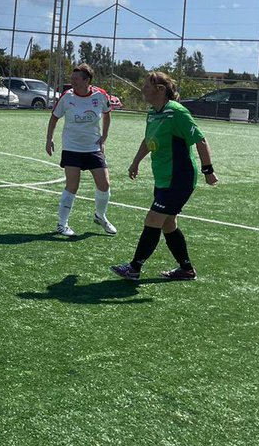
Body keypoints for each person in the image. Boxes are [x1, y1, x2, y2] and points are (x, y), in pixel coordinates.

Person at [111, 72, 219, 282]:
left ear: (160, 89)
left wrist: (208, 171)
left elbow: (201, 140)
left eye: (146, 85)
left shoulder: (176, 112)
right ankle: (186, 269)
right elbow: (148, 140)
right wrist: (136, 162)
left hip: (180, 177)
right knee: (168, 224)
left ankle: (134, 268)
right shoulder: (153, 113)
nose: (142, 89)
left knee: (153, 219)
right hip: (163, 177)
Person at [45, 63, 115, 237]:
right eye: (72, 78)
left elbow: (107, 113)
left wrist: (104, 137)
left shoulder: (100, 95)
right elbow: (54, 118)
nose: (72, 82)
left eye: (76, 79)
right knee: (72, 186)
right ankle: (62, 224)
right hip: (72, 148)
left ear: (87, 80)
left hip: (93, 148)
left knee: (104, 184)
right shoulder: (66, 97)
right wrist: (49, 139)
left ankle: (100, 216)